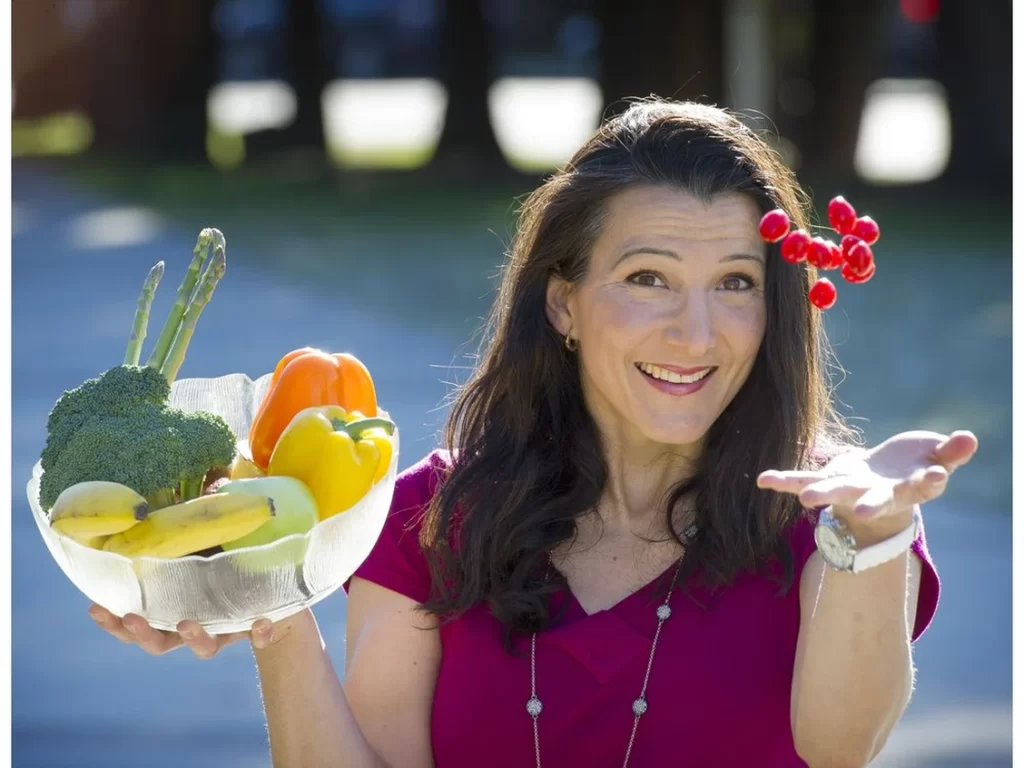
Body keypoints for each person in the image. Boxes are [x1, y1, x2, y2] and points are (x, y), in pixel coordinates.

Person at [89, 98, 978, 767]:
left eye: (737, 284)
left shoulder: (837, 522)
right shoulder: (427, 518)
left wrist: (875, 534)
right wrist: (271, 614)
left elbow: (841, 746)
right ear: (563, 303)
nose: (697, 333)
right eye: (648, 277)